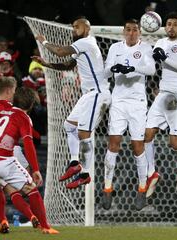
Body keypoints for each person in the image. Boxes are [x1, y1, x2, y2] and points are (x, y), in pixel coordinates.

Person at [33, 16, 111, 189]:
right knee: (69, 125)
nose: (74, 29)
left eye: (77, 26)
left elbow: (60, 52)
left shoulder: (87, 42)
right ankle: (75, 162)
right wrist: (45, 64)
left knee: (84, 132)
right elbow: (67, 66)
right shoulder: (83, 46)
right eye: (73, 26)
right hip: (88, 96)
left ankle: (85, 174)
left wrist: (44, 42)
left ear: (87, 27)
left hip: (98, 94)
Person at [0, 77, 58, 234]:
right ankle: (44, 225)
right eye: (13, 91)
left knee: (2, 186)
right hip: (6, 152)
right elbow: (27, 140)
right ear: (8, 91)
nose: (14, 94)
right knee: (29, 186)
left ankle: (4, 219)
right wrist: (36, 168)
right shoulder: (15, 112)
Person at [101, 19, 156, 211]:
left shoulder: (146, 48)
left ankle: (142, 188)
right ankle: (107, 188)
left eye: (135, 30)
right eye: (128, 30)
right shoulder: (115, 48)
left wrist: (132, 69)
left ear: (139, 33)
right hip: (119, 101)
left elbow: (152, 69)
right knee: (113, 142)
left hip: (137, 103)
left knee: (137, 145)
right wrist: (113, 68)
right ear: (123, 32)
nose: (131, 33)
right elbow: (105, 73)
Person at [144, 12, 177, 196]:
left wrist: (165, 58)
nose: (171, 27)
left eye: (175, 24)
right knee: (147, 134)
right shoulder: (160, 43)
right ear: (164, 26)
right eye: (169, 24)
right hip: (163, 93)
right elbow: (151, 68)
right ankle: (151, 173)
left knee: (174, 143)